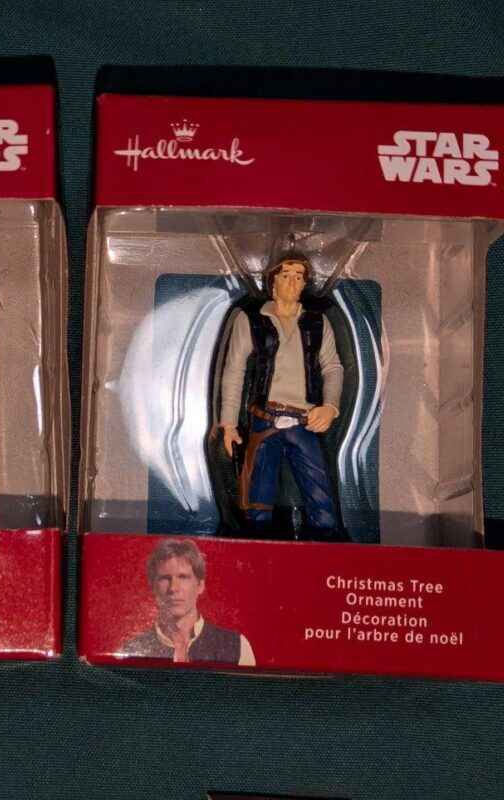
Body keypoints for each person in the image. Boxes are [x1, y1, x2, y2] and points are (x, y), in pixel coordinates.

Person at [215, 252, 348, 541]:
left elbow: (333, 367)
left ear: (305, 284)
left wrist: (330, 407)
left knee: (322, 498)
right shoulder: (251, 319)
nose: (292, 282)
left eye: (299, 277)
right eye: (286, 275)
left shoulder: (317, 322)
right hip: (264, 420)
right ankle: (256, 547)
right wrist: (229, 424)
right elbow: (234, 370)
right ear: (272, 282)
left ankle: (326, 547)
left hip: (304, 421)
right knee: (257, 500)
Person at [122, 539, 255, 666]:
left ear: (200, 585)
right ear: (153, 587)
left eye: (183, 577)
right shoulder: (129, 651)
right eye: (165, 578)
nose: (173, 588)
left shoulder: (237, 646)